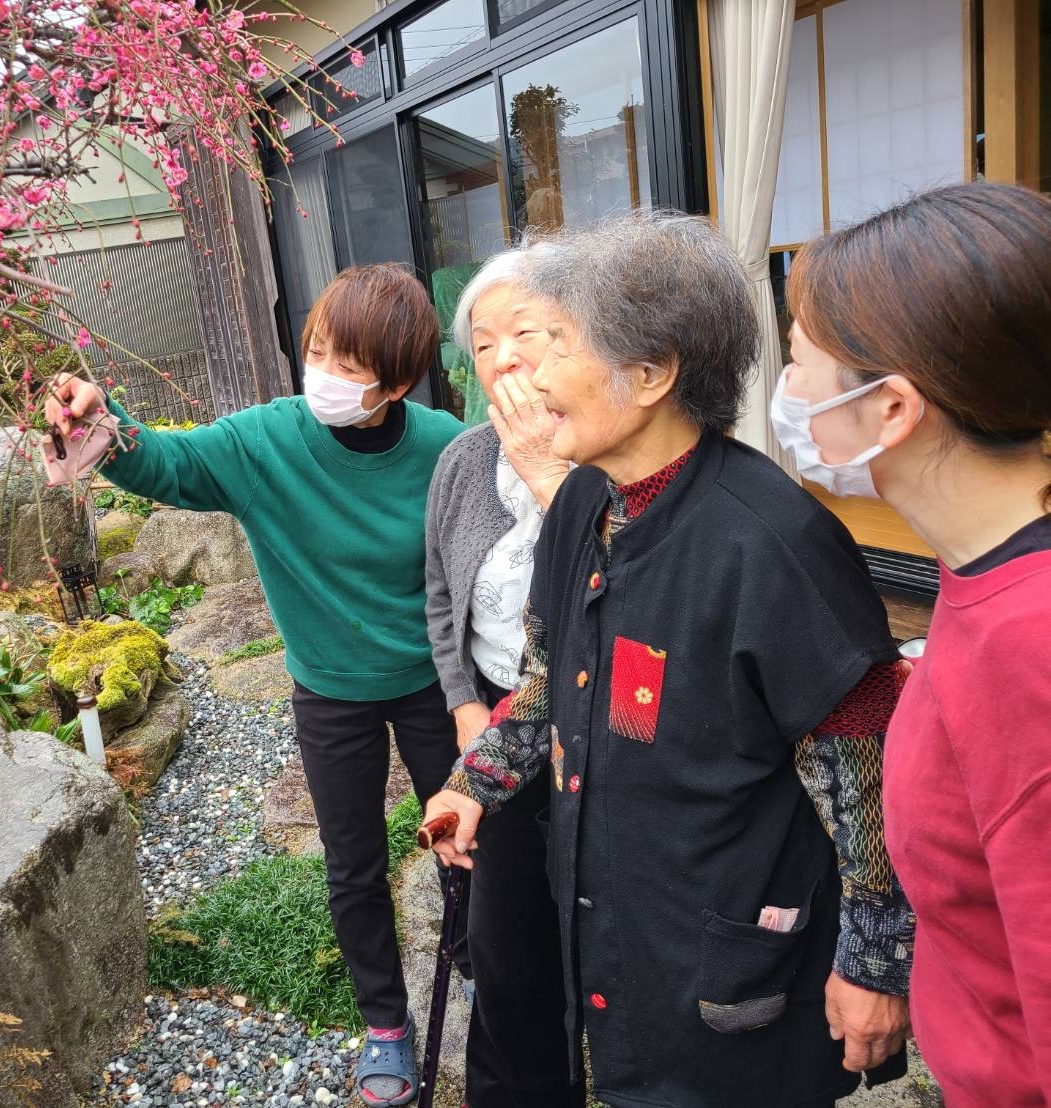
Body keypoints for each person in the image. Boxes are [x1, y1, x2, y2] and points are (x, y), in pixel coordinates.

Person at [422, 210, 916, 1107]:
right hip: (621, 923)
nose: (523, 373)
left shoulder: (773, 546)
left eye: (555, 343)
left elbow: (861, 783)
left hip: (732, 950)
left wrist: (875, 967)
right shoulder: (582, 503)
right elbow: (546, 684)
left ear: (649, 373)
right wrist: (474, 784)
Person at [48, 264, 465, 1107]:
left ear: (396, 379)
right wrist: (104, 420)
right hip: (330, 690)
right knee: (350, 864)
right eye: (315, 350)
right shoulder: (266, 439)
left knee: (468, 840)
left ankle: (485, 969)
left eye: (347, 365)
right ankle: (385, 1022)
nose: (323, 375)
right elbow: (166, 464)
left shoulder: (443, 448)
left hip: (435, 685)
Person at [778, 181, 1051, 1108]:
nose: (785, 396)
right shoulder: (981, 576)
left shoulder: (1029, 650)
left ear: (890, 408)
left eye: (796, 365)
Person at [423, 243, 583, 1108]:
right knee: (503, 933)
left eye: (526, 333)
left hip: (597, 724)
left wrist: (549, 476)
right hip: (492, 717)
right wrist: (459, 706)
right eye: (483, 343)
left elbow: (620, 592)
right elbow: (439, 594)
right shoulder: (460, 458)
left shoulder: (611, 455)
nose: (504, 359)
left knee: (596, 925)